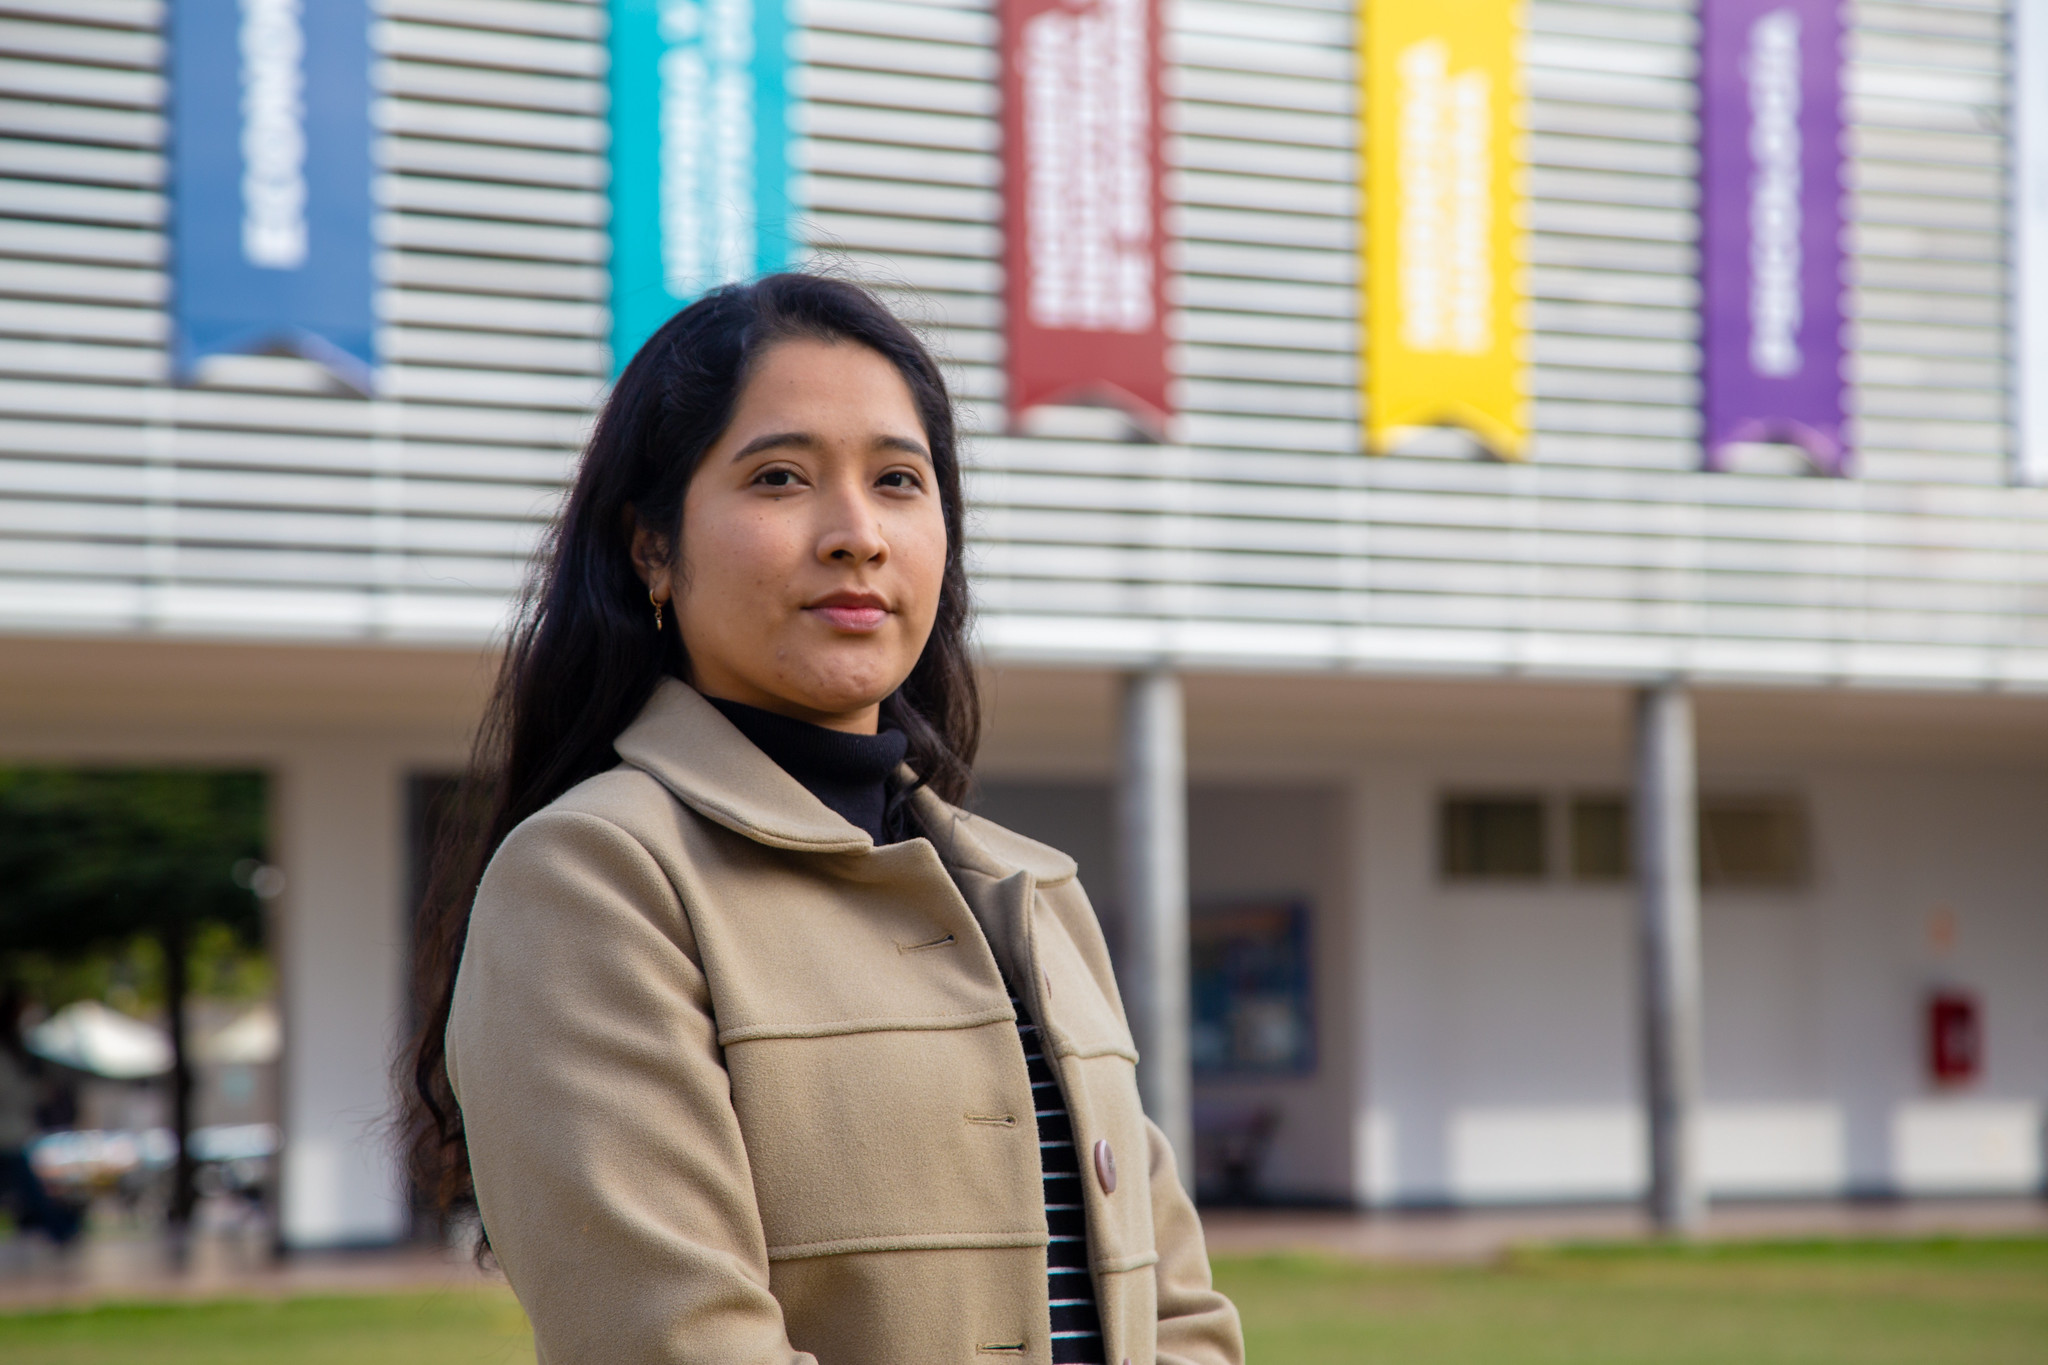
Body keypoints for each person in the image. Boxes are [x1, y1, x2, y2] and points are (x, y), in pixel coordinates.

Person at [403, 274, 1243, 1365]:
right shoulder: (591, 877)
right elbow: (679, 1345)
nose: (857, 534)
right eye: (780, 478)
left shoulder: (1035, 892)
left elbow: (1179, 1315)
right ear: (652, 547)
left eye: (898, 480)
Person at [0, 987, 80, 1247]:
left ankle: (61, 1229)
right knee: (31, 1191)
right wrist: (36, 1093)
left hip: (12, 1135)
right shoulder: (7, 1052)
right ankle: (62, 1230)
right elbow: (10, 1091)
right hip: (8, 1137)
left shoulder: (14, 1050)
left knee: (28, 1190)